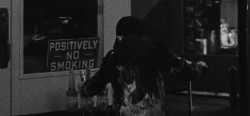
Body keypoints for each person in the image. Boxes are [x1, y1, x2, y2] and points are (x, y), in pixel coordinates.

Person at [79, 15, 208, 115]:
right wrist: (199, 67)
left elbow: (92, 87)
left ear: (119, 37)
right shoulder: (157, 50)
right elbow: (183, 71)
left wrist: (82, 88)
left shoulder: (113, 58)